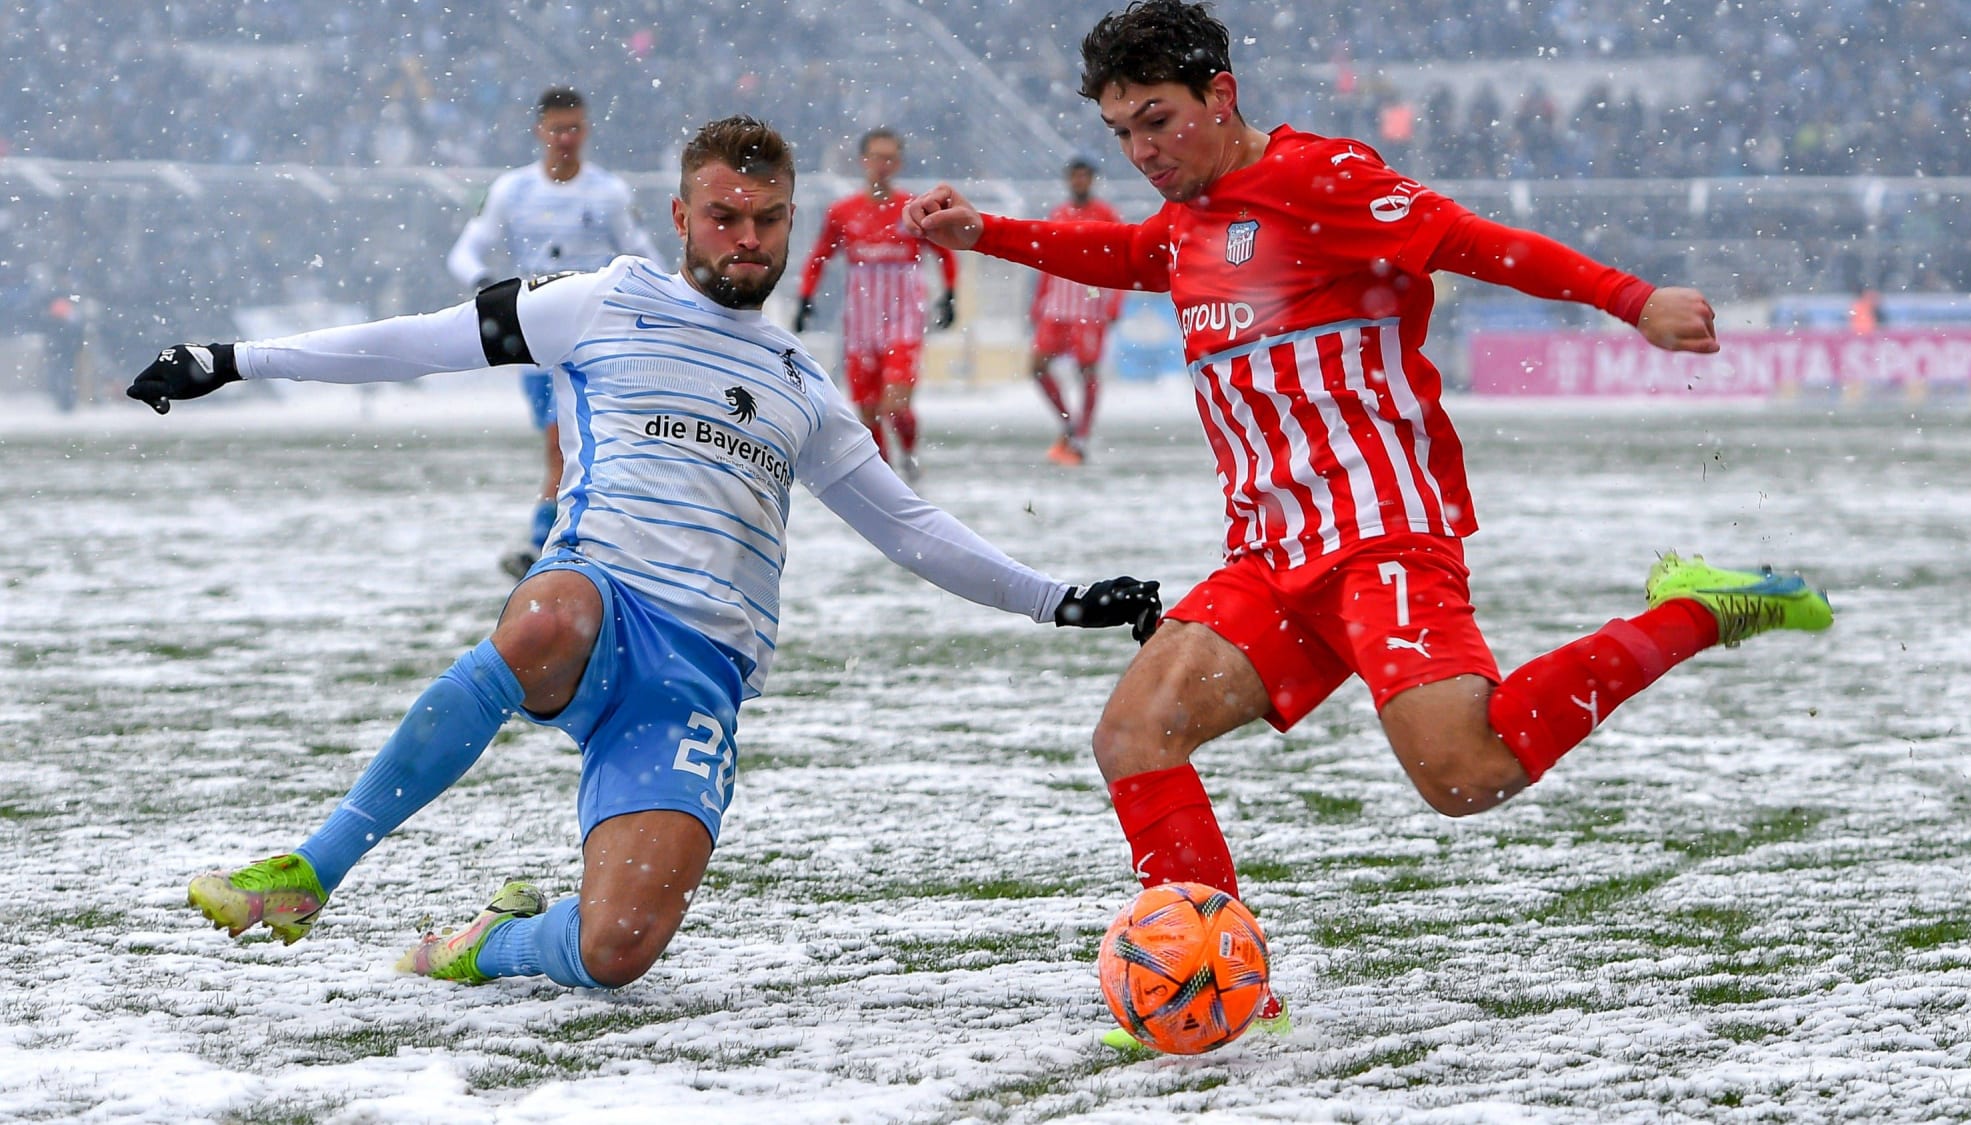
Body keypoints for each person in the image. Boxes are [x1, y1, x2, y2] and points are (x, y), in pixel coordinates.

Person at [903, 0, 1833, 1042]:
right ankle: (1223, 982)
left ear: (1222, 95)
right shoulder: (1188, 223)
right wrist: (985, 234)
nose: (1140, 151)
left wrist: (1631, 299)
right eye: (1120, 132)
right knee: (1133, 734)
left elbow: (1469, 242)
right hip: (1269, 552)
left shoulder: (1315, 178)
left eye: (1156, 120)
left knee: (1464, 775)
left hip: (1381, 532)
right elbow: (1134, 256)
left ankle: (1701, 612)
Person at [131, 117, 1162, 992]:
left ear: (787, 223)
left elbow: (909, 525)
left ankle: (493, 943)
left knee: (616, 948)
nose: (745, 239)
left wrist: (1058, 600)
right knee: (545, 617)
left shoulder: (801, 384)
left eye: (766, 221)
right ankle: (309, 872)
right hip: (601, 599)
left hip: (696, 678)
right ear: (682, 218)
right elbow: (418, 340)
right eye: (724, 217)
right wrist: (233, 361)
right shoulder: (600, 301)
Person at [446, 86, 663, 579]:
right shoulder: (512, 190)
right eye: (557, 129)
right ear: (540, 132)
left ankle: (547, 542)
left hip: (595, 337)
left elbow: (645, 255)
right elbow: (464, 253)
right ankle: (567, 543)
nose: (566, 139)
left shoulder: (608, 193)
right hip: (538, 335)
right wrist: (489, 288)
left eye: (575, 129)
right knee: (567, 444)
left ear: (586, 131)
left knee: (574, 441)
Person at [793, 128, 956, 479]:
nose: (882, 165)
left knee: (895, 405)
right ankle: (884, 476)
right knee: (867, 412)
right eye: (875, 157)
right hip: (861, 323)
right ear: (862, 161)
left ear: (899, 163)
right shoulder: (843, 212)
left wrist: (949, 295)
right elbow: (820, 255)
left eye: (889, 158)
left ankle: (909, 456)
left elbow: (943, 251)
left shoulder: (913, 210)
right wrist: (805, 297)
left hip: (904, 319)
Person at [1028, 157, 1124, 467]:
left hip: (1089, 298)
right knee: (1037, 366)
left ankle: (1081, 434)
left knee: (1087, 369)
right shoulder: (1059, 214)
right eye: (1074, 176)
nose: (1079, 182)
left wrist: (1114, 302)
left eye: (1084, 176)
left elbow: (1122, 260)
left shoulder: (1106, 215)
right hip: (1057, 303)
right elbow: (1047, 261)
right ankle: (1068, 422)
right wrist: (1038, 301)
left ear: (1092, 180)